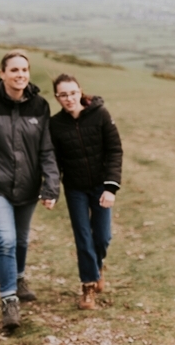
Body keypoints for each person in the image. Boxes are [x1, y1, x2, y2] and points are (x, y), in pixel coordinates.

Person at [0, 49, 59, 332]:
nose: (20, 75)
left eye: (24, 70)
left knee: (22, 240)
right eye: (14, 70)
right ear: (2, 73)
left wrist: (50, 186)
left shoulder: (39, 105)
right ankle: (8, 299)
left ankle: (18, 277)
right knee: (6, 239)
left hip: (28, 187)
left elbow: (47, 151)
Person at [48, 73, 123, 310]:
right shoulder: (55, 125)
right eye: (63, 95)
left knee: (102, 236)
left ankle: (97, 265)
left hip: (101, 185)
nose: (69, 98)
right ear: (57, 97)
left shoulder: (100, 114)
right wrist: (49, 190)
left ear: (80, 91)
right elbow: (53, 161)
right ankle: (88, 286)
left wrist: (110, 187)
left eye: (73, 93)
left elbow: (114, 150)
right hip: (75, 188)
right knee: (83, 236)